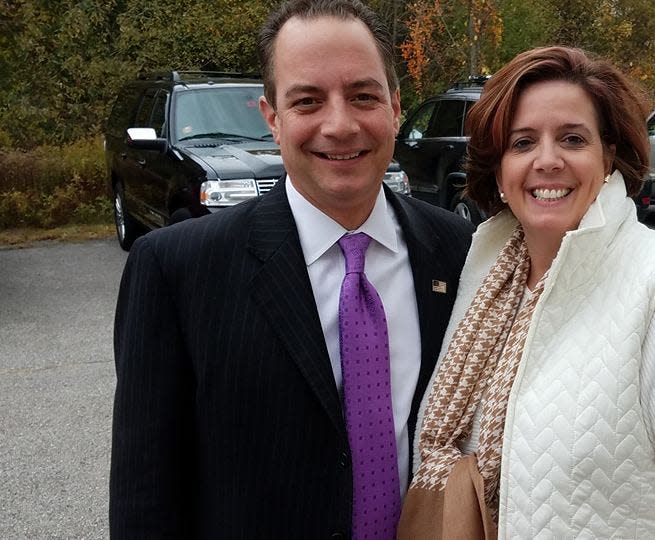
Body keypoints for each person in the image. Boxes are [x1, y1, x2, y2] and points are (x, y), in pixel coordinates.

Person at [109, 0, 474, 537]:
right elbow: (146, 496)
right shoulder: (177, 270)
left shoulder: (459, 251)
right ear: (273, 119)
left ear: (396, 108)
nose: (340, 124)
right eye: (307, 101)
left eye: (363, 96)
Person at [400, 46, 655, 538]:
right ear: (499, 166)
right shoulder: (485, 280)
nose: (547, 161)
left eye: (572, 139)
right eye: (522, 142)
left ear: (609, 153)